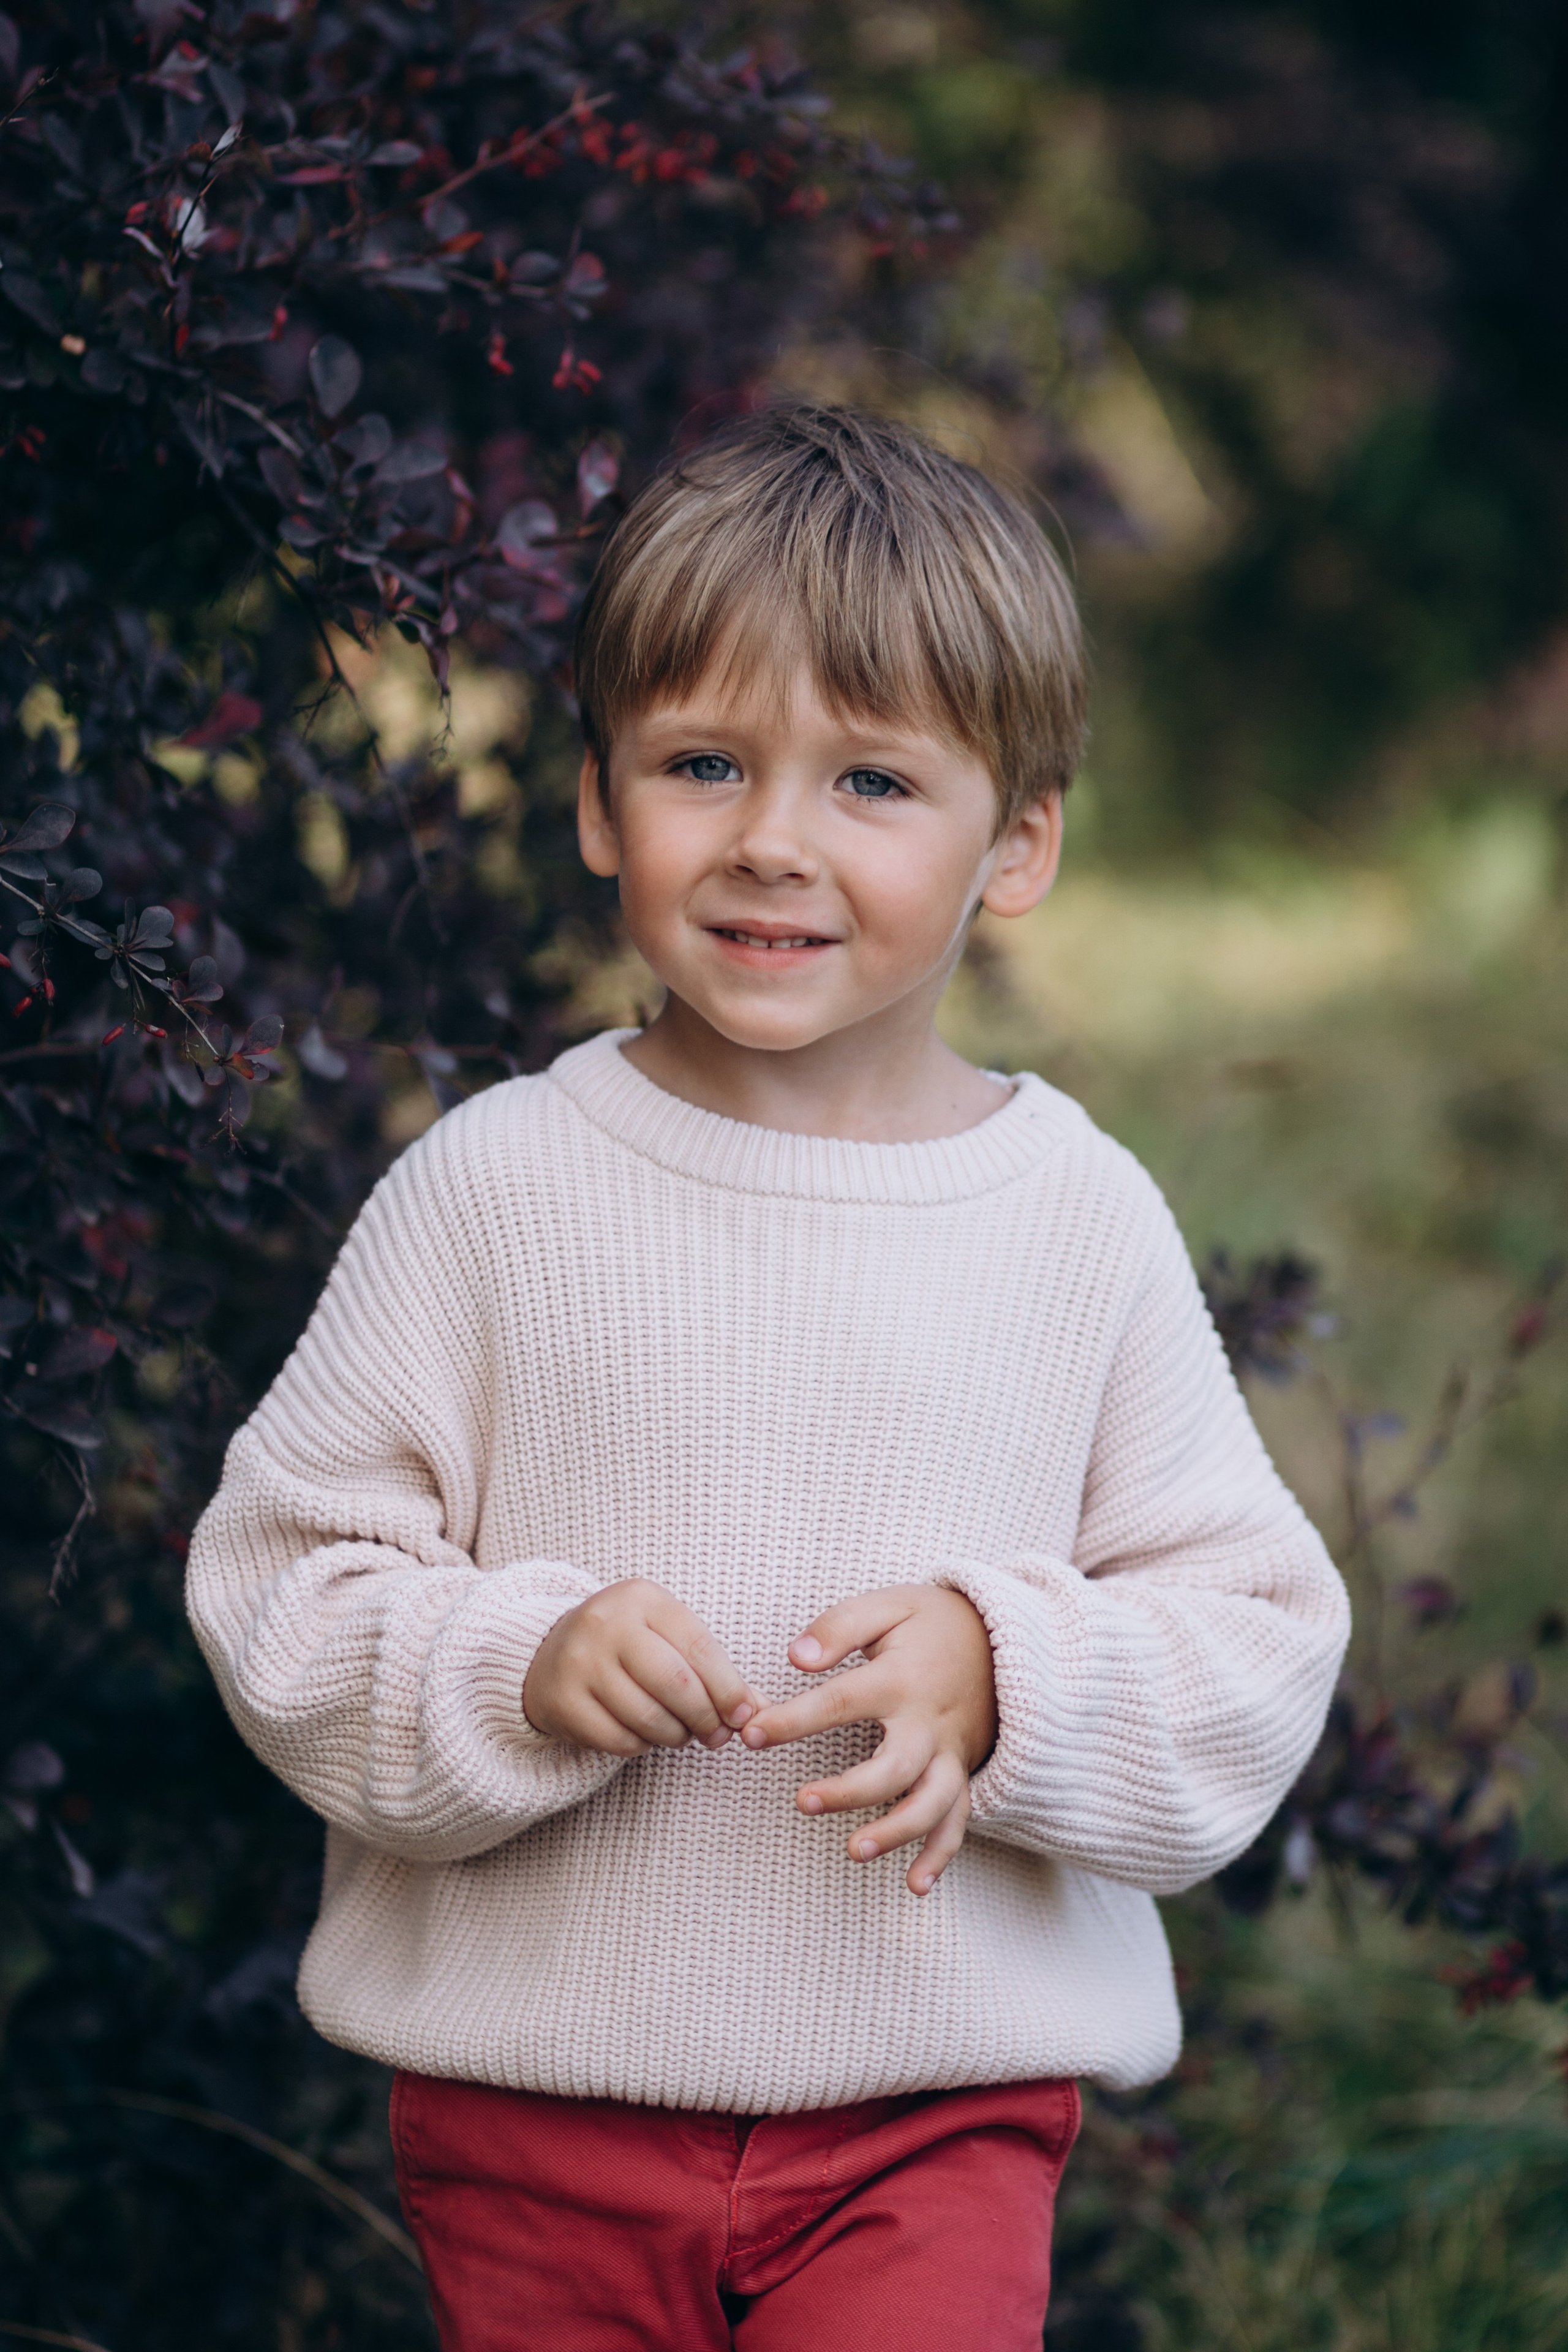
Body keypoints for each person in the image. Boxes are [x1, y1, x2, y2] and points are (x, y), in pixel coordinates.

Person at [186, 405, 1350, 2351]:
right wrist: (515, 1664)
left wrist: (1010, 1669)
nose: (772, 842)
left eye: (875, 781)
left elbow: (1252, 1638)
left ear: (1023, 841)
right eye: (702, 763)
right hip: (535, 2109)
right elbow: (281, 1582)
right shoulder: (494, 1192)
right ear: (595, 802)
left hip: (937, 2116)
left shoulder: (1069, 1216)